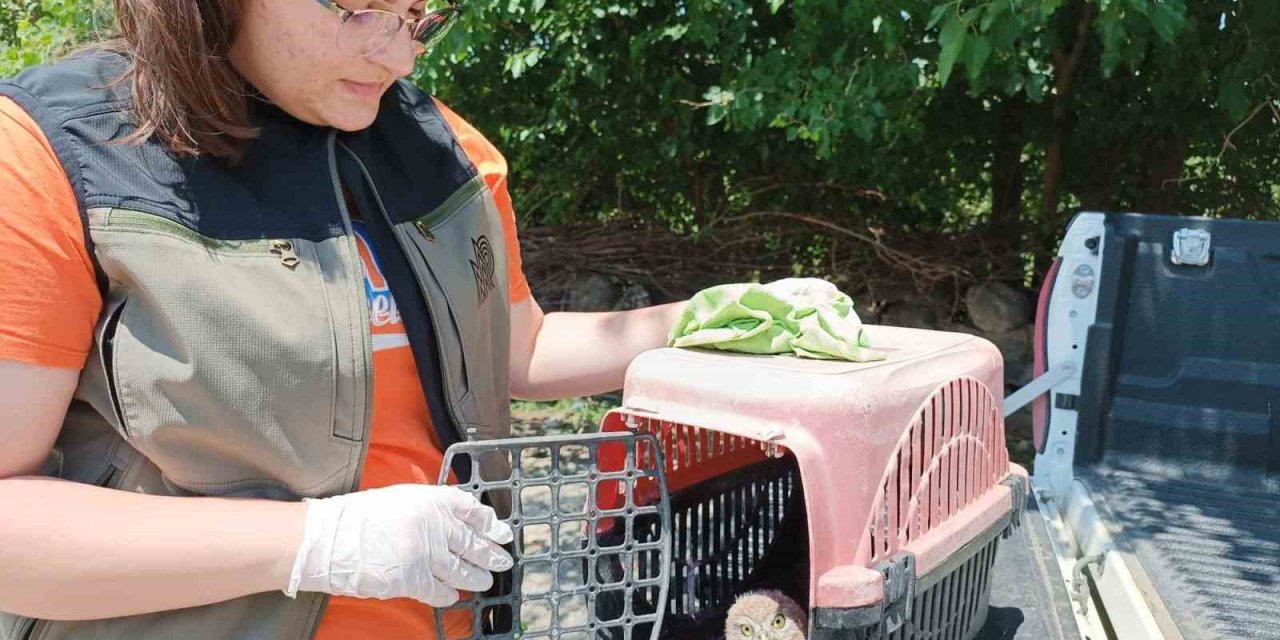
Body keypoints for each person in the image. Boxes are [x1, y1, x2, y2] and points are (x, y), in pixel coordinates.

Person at [0, 1, 692, 638]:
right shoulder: (53, 154)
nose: (399, 57)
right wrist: (317, 544)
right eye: (362, 10)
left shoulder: (443, 148)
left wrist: (713, 321)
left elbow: (520, 345)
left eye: (417, 15)